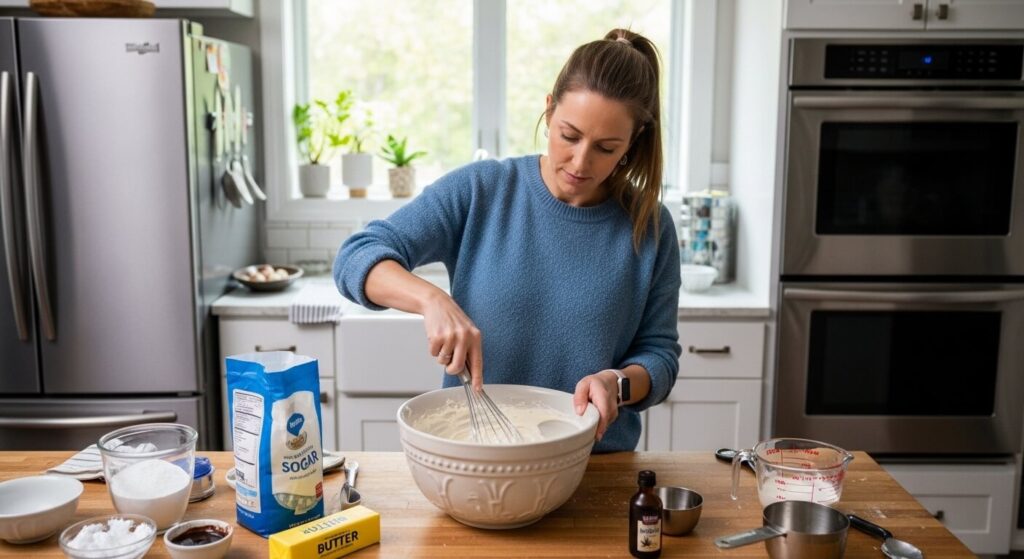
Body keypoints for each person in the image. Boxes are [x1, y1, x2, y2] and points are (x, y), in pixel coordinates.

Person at [334, 28, 681, 453]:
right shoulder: (482, 191)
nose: (580, 161)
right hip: (477, 456)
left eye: (606, 148)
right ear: (549, 110)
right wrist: (431, 300)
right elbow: (356, 257)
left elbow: (659, 356)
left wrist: (618, 383)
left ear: (632, 144)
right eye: (569, 136)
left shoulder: (651, 228)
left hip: (594, 468)